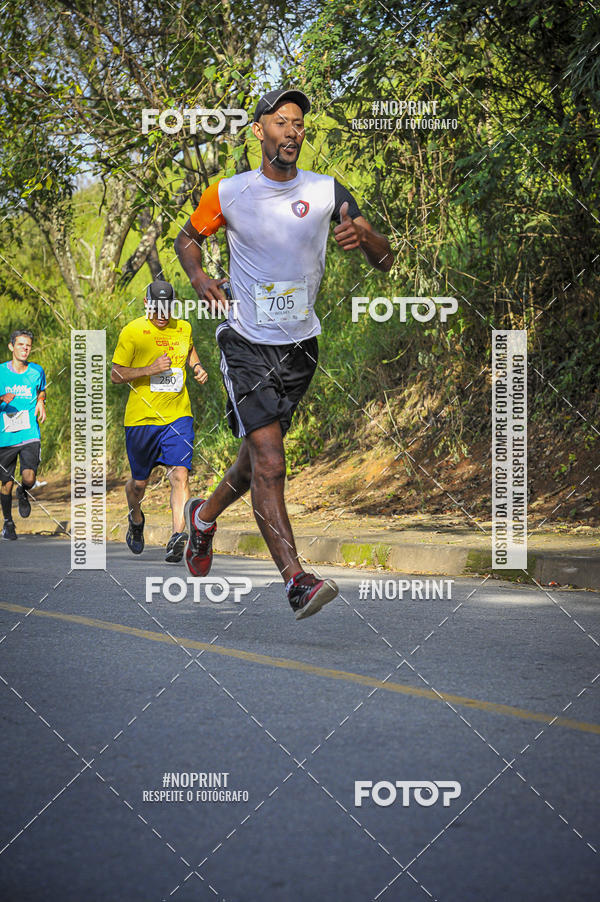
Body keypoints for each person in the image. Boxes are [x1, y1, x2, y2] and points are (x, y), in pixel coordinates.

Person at [175, 87, 393, 620]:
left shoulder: (325, 191)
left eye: (299, 124)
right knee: (272, 461)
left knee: (254, 464)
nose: (292, 131)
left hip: (300, 348)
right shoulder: (229, 192)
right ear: (259, 131)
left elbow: (384, 260)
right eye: (281, 121)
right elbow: (187, 238)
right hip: (244, 341)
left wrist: (365, 235)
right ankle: (296, 581)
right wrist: (200, 275)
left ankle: (202, 518)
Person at [111, 280, 208, 562]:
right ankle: (136, 518)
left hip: (178, 416)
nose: (163, 313)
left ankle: (178, 537)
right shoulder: (133, 332)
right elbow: (116, 375)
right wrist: (149, 369)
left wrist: (197, 366)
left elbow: (188, 349)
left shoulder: (184, 327)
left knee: (180, 474)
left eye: (168, 307)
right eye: (157, 307)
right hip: (141, 420)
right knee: (139, 485)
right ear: (146, 303)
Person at [0, 329, 47, 540]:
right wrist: (2, 397)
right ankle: (8, 523)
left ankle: (24, 491)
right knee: (6, 483)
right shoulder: (1, 372)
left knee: (29, 477)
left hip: (29, 432)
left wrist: (40, 401)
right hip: (5, 436)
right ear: (11, 347)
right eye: (20, 344)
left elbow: (41, 390)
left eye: (28, 345)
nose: (24, 349)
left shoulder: (37, 371)